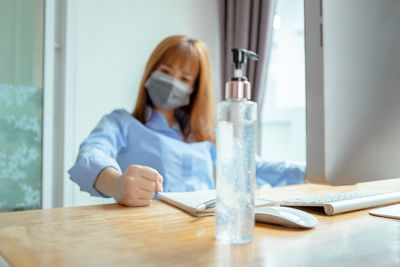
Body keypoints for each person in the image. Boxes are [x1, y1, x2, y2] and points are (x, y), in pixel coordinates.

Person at [68, 35, 305, 207]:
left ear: (193, 89)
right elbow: (91, 154)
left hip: (204, 231)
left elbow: (252, 164)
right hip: (147, 234)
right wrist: (117, 184)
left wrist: (316, 171)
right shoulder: (122, 123)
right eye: (166, 71)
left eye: (184, 78)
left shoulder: (205, 134)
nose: (172, 82)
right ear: (151, 71)